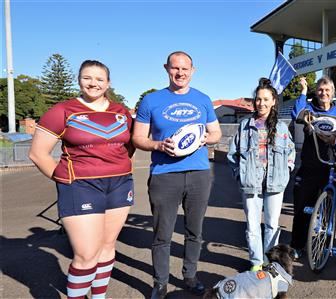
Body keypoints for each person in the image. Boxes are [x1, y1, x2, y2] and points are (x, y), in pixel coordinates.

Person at [29, 60, 134, 299]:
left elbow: (127, 147)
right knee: (86, 255)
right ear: (79, 80)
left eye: (99, 79)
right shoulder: (62, 110)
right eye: (87, 78)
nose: (93, 83)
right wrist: (65, 179)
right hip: (81, 186)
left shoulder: (121, 112)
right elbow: (37, 154)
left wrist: (112, 164)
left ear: (108, 83)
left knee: (107, 249)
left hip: (119, 184)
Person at [132, 51, 222, 299]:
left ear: (193, 70)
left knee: (195, 232)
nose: (180, 73)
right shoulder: (151, 101)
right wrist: (159, 145)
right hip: (164, 175)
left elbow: (215, 133)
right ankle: (160, 282)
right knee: (163, 234)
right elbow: (137, 138)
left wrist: (206, 138)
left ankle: (190, 276)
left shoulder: (203, 99)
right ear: (166, 69)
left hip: (199, 175)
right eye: (175, 68)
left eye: (185, 68)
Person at [227, 78, 296, 271]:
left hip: (275, 183)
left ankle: (270, 261)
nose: (261, 103)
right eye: (258, 99)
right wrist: (239, 175)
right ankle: (257, 262)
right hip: (251, 183)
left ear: (274, 101)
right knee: (252, 226)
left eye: (266, 99)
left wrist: (287, 170)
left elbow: (291, 151)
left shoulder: (281, 127)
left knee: (272, 224)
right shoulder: (245, 126)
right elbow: (233, 154)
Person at [289, 76, 336, 259]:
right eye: (320, 90)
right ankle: (297, 246)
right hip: (309, 167)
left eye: (327, 90)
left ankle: (324, 244)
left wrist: (335, 142)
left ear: (332, 93)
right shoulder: (309, 111)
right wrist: (303, 91)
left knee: (328, 211)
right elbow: (296, 114)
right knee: (301, 209)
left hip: (330, 168)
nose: (323, 93)